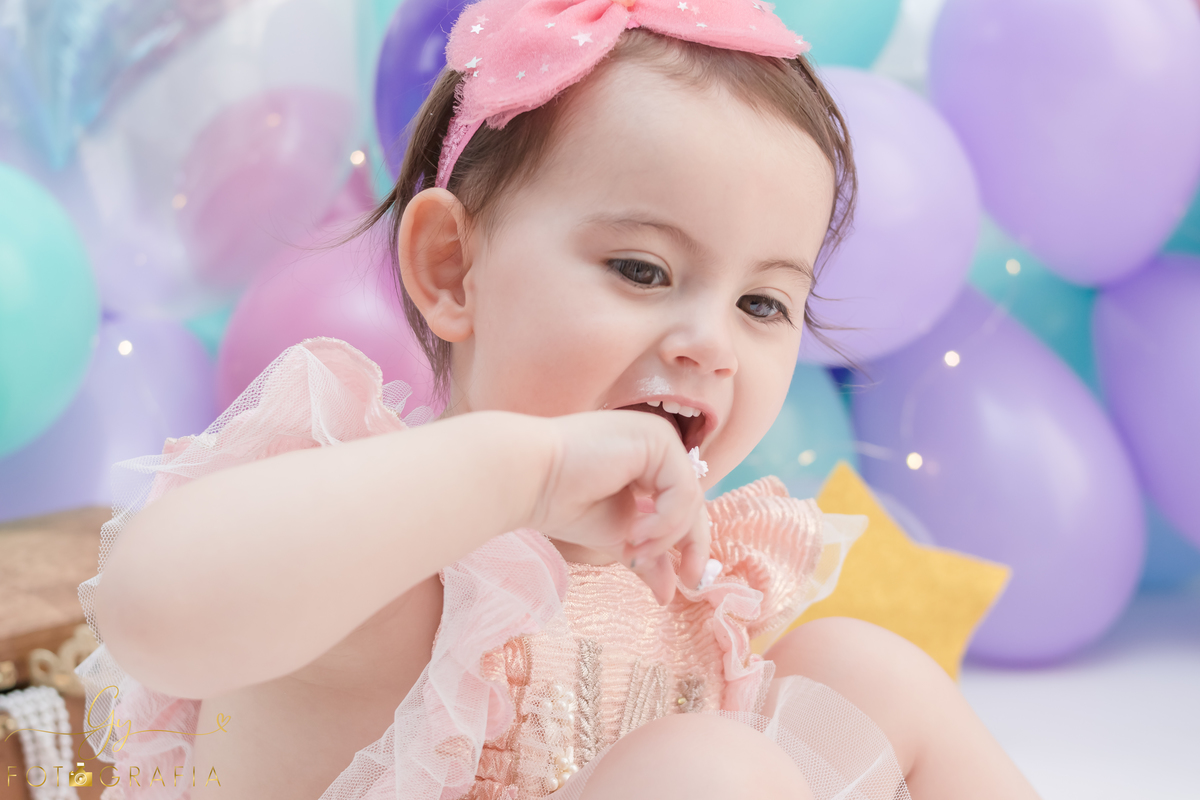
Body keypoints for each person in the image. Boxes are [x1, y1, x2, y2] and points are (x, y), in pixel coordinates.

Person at [79, 0, 1041, 798]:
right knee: (712, 773)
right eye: (641, 269)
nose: (710, 343)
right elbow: (153, 611)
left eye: (762, 303)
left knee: (866, 672)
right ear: (452, 268)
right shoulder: (394, 563)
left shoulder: (695, 587)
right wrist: (525, 471)